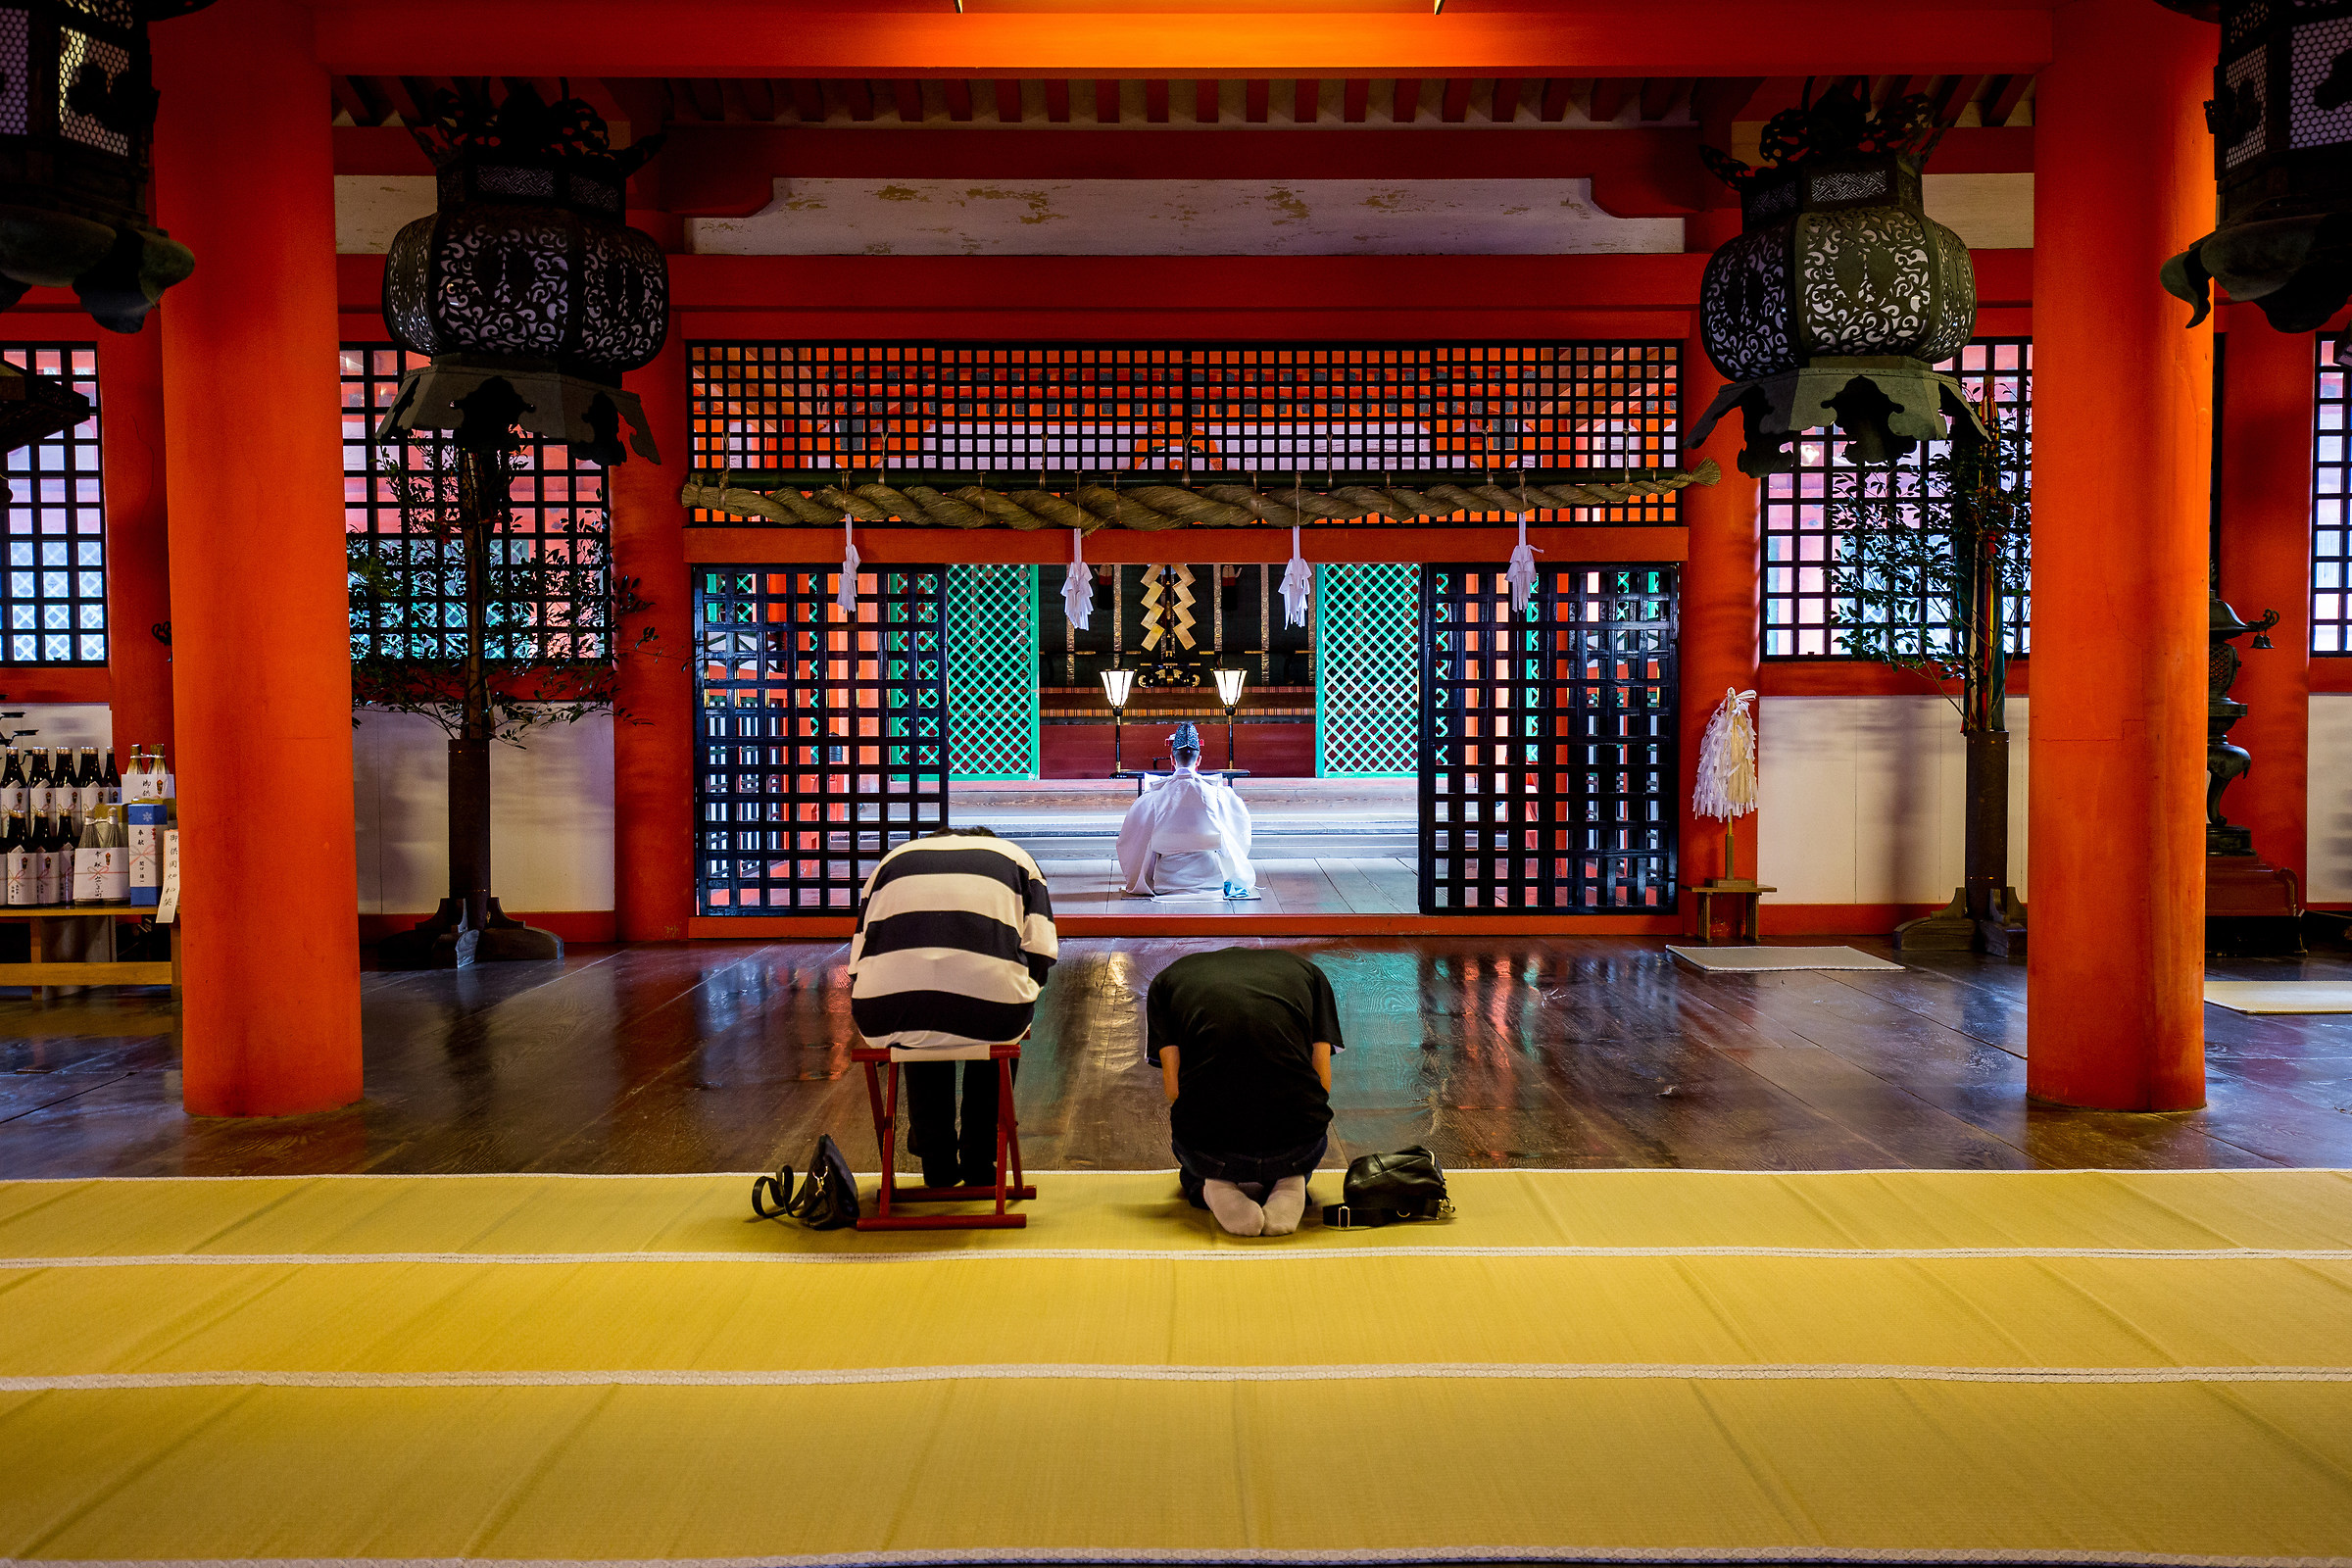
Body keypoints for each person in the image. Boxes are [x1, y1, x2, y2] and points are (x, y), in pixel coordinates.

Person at [848, 826, 1057, 1189]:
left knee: (918, 1012)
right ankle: (979, 1160)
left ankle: (936, 1160)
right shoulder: (1017, 859)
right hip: (992, 1012)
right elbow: (1041, 951)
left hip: (884, 1010)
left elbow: (857, 959)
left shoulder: (892, 862)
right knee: (996, 1015)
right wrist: (1021, 992)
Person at [1146, 946, 1343, 1237]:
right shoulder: (1311, 975)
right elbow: (1322, 1083)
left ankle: (1212, 1186)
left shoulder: (1165, 982)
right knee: (1306, 1120)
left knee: (1191, 1163)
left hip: (1212, 1152)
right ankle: (1290, 1180)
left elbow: (1174, 1090)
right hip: (1296, 1145)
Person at [1115, 721, 1255, 898]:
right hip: (1211, 878)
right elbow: (1240, 832)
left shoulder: (1152, 798)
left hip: (1166, 881)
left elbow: (1129, 841)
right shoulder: (1219, 795)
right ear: (1198, 760)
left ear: (1172, 760)